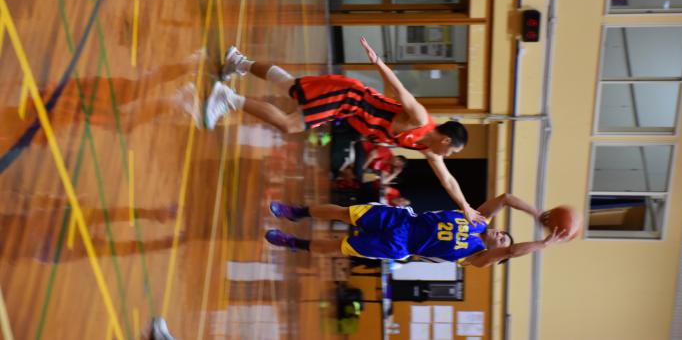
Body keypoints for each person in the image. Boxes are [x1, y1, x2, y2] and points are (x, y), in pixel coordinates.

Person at [203, 37, 483, 222]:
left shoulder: (427, 149)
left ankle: (238, 61)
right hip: (347, 97)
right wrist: (378, 63)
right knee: (289, 124)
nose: (447, 156)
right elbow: (400, 90)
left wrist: (466, 208)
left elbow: (448, 181)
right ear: (446, 140)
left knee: (290, 86)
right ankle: (227, 98)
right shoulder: (420, 120)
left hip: (345, 107)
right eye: (452, 151)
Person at [264, 193, 568, 267]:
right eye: (503, 232)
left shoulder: (477, 257)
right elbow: (507, 198)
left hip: (400, 247)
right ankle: (297, 212)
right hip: (402, 220)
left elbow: (513, 250)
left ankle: (294, 243)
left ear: (496, 252)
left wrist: (543, 244)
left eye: (502, 240)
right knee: (346, 213)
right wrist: (538, 214)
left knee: (340, 245)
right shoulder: (479, 218)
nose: (501, 235)